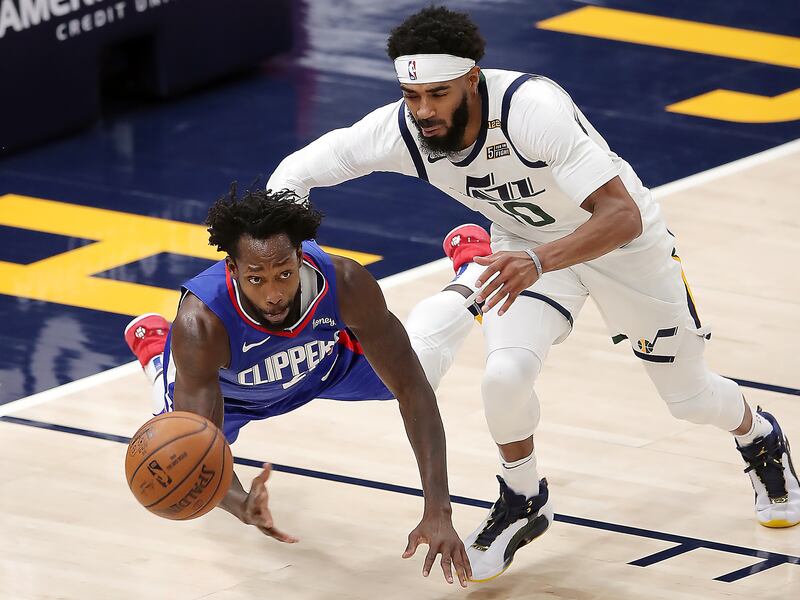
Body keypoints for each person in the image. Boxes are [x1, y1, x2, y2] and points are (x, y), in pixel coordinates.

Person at [265, 5, 799, 582]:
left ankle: (758, 435)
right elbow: (295, 174)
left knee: (689, 400)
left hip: (622, 247)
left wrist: (540, 260)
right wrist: (290, 261)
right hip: (524, 249)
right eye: (411, 95)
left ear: (472, 79)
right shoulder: (403, 130)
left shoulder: (531, 109)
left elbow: (620, 215)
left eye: (438, 94)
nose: (423, 111)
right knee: (504, 377)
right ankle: (523, 499)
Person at [124, 186, 471, 586]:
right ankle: (156, 353)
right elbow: (200, 460)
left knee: (425, 367)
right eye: (256, 279)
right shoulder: (202, 324)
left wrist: (439, 509)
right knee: (175, 437)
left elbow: (412, 389)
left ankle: (473, 270)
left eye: (284, 274)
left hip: (321, 366)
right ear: (232, 269)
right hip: (235, 397)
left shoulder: (344, 282)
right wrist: (242, 505)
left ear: (301, 257)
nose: (273, 294)